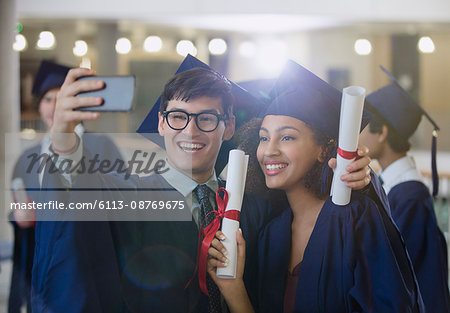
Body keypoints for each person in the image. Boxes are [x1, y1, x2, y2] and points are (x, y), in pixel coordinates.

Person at [40, 55, 372, 312]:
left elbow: (314, 194)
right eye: (179, 116)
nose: (191, 131)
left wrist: (354, 174)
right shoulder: (130, 195)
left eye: (207, 118)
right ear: (162, 123)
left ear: (228, 126)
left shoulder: (257, 208)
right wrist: (62, 136)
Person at [207, 60, 425, 313]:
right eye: (264, 137)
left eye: (287, 137)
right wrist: (234, 288)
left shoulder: (357, 219)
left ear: (324, 149)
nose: (269, 150)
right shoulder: (271, 233)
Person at [10, 60, 123, 313]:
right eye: (48, 99)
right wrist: (18, 217)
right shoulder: (27, 156)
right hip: (41, 263)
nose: (54, 106)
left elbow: (120, 204)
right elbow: (17, 206)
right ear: (39, 106)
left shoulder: (102, 145)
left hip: (87, 267)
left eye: (62, 97)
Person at [359, 66, 450, 313]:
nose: (358, 133)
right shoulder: (398, 188)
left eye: (363, 125)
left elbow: (397, 274)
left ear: (382, 133)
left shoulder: (409, 196)